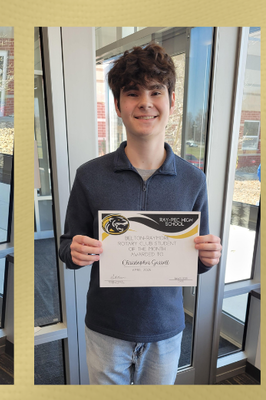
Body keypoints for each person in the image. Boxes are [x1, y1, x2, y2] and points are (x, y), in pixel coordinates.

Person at [58, 42, 222, 385]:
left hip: (165, 329)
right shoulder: (90, 175)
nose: (145, 102)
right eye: (133, 93)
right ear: (117, 105)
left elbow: (196, 260)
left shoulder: (194, 180)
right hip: (106, 329)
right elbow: (66, 245)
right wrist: (74, 251)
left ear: (172, 101)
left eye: (156, 91)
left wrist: (207, 257)